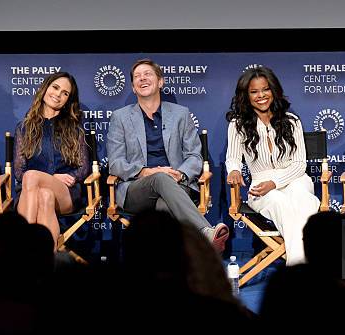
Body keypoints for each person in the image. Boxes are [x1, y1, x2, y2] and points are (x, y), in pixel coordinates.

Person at [107, 58, 228, 251]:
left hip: (177, 185)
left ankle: (163, 273)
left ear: (160, 82)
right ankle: (204, 232)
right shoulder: (120, 117)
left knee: (164, 208)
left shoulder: (181, 114)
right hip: (137, 189)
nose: (142, 79)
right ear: (132, 87)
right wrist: (146, 172)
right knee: (160, 179)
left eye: (147, 74)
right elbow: (115, 163)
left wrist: (180, 174)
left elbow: (195, 157)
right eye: (137, 77)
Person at [225, 66, 319, 266]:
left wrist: (275, 182)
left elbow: (299, 164)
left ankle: (297, 267)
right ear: (246, 96)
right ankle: (309, 268)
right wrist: (233, 170)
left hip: (295, 179)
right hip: (260, 185)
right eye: (254, 91)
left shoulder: (291, 121)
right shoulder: (238, 124)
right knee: (279, 202)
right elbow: (233, 157)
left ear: (273, 91)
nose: (261, 95)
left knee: (304, 200)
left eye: (265, 89)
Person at [13, 72, 90, 251]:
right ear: (45, 88)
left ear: (68, 100)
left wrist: (57, 179)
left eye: (65, 93)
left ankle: (22, 247)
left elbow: (83, 168)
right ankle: (47, 263)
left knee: (33, 177)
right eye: (55, 87)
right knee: (44, 195)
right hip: (28, 193)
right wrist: (52, 176)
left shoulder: (74, 128)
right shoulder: (24, 127)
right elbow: (19, 171)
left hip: (66, 193)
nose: (58, 94)